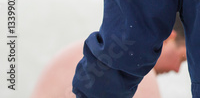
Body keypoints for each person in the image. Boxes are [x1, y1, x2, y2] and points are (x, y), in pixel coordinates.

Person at [32, 16, 185, 98]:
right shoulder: (135, 68)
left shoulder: (93, 51)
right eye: (181, 58)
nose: (177, 69)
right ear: (168, 38)